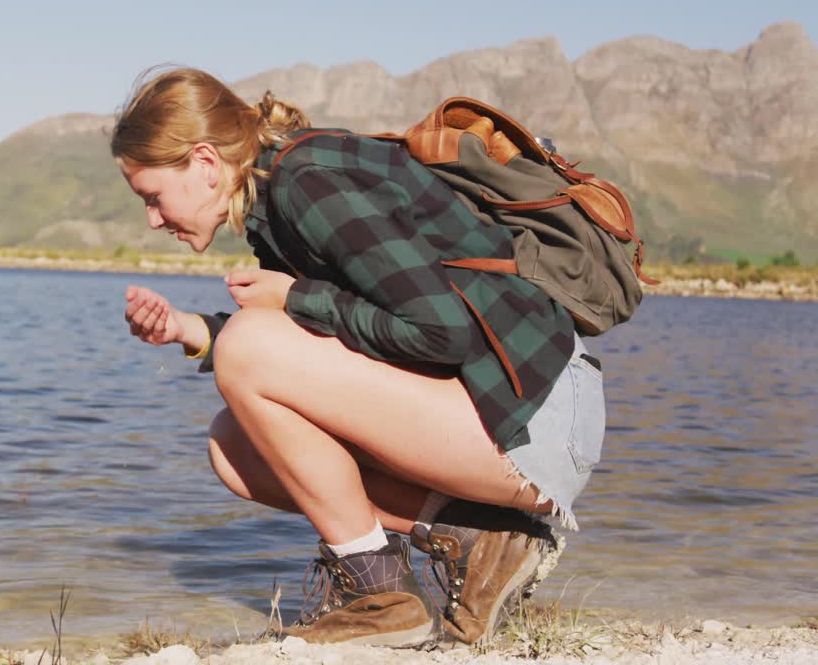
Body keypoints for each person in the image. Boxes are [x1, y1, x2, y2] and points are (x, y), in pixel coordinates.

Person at [113, 67, 606, 647]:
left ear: (203, 162)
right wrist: (187, 329)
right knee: (236, 447)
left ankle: (379, 596)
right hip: (499, 403)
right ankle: (480, 543)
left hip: (536, 415)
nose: (152, 218)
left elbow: (443, 332)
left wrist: (294, 296)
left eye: (153, 197)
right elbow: (320, 349)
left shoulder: (307, 183)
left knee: (247, 347)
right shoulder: (280, 202)